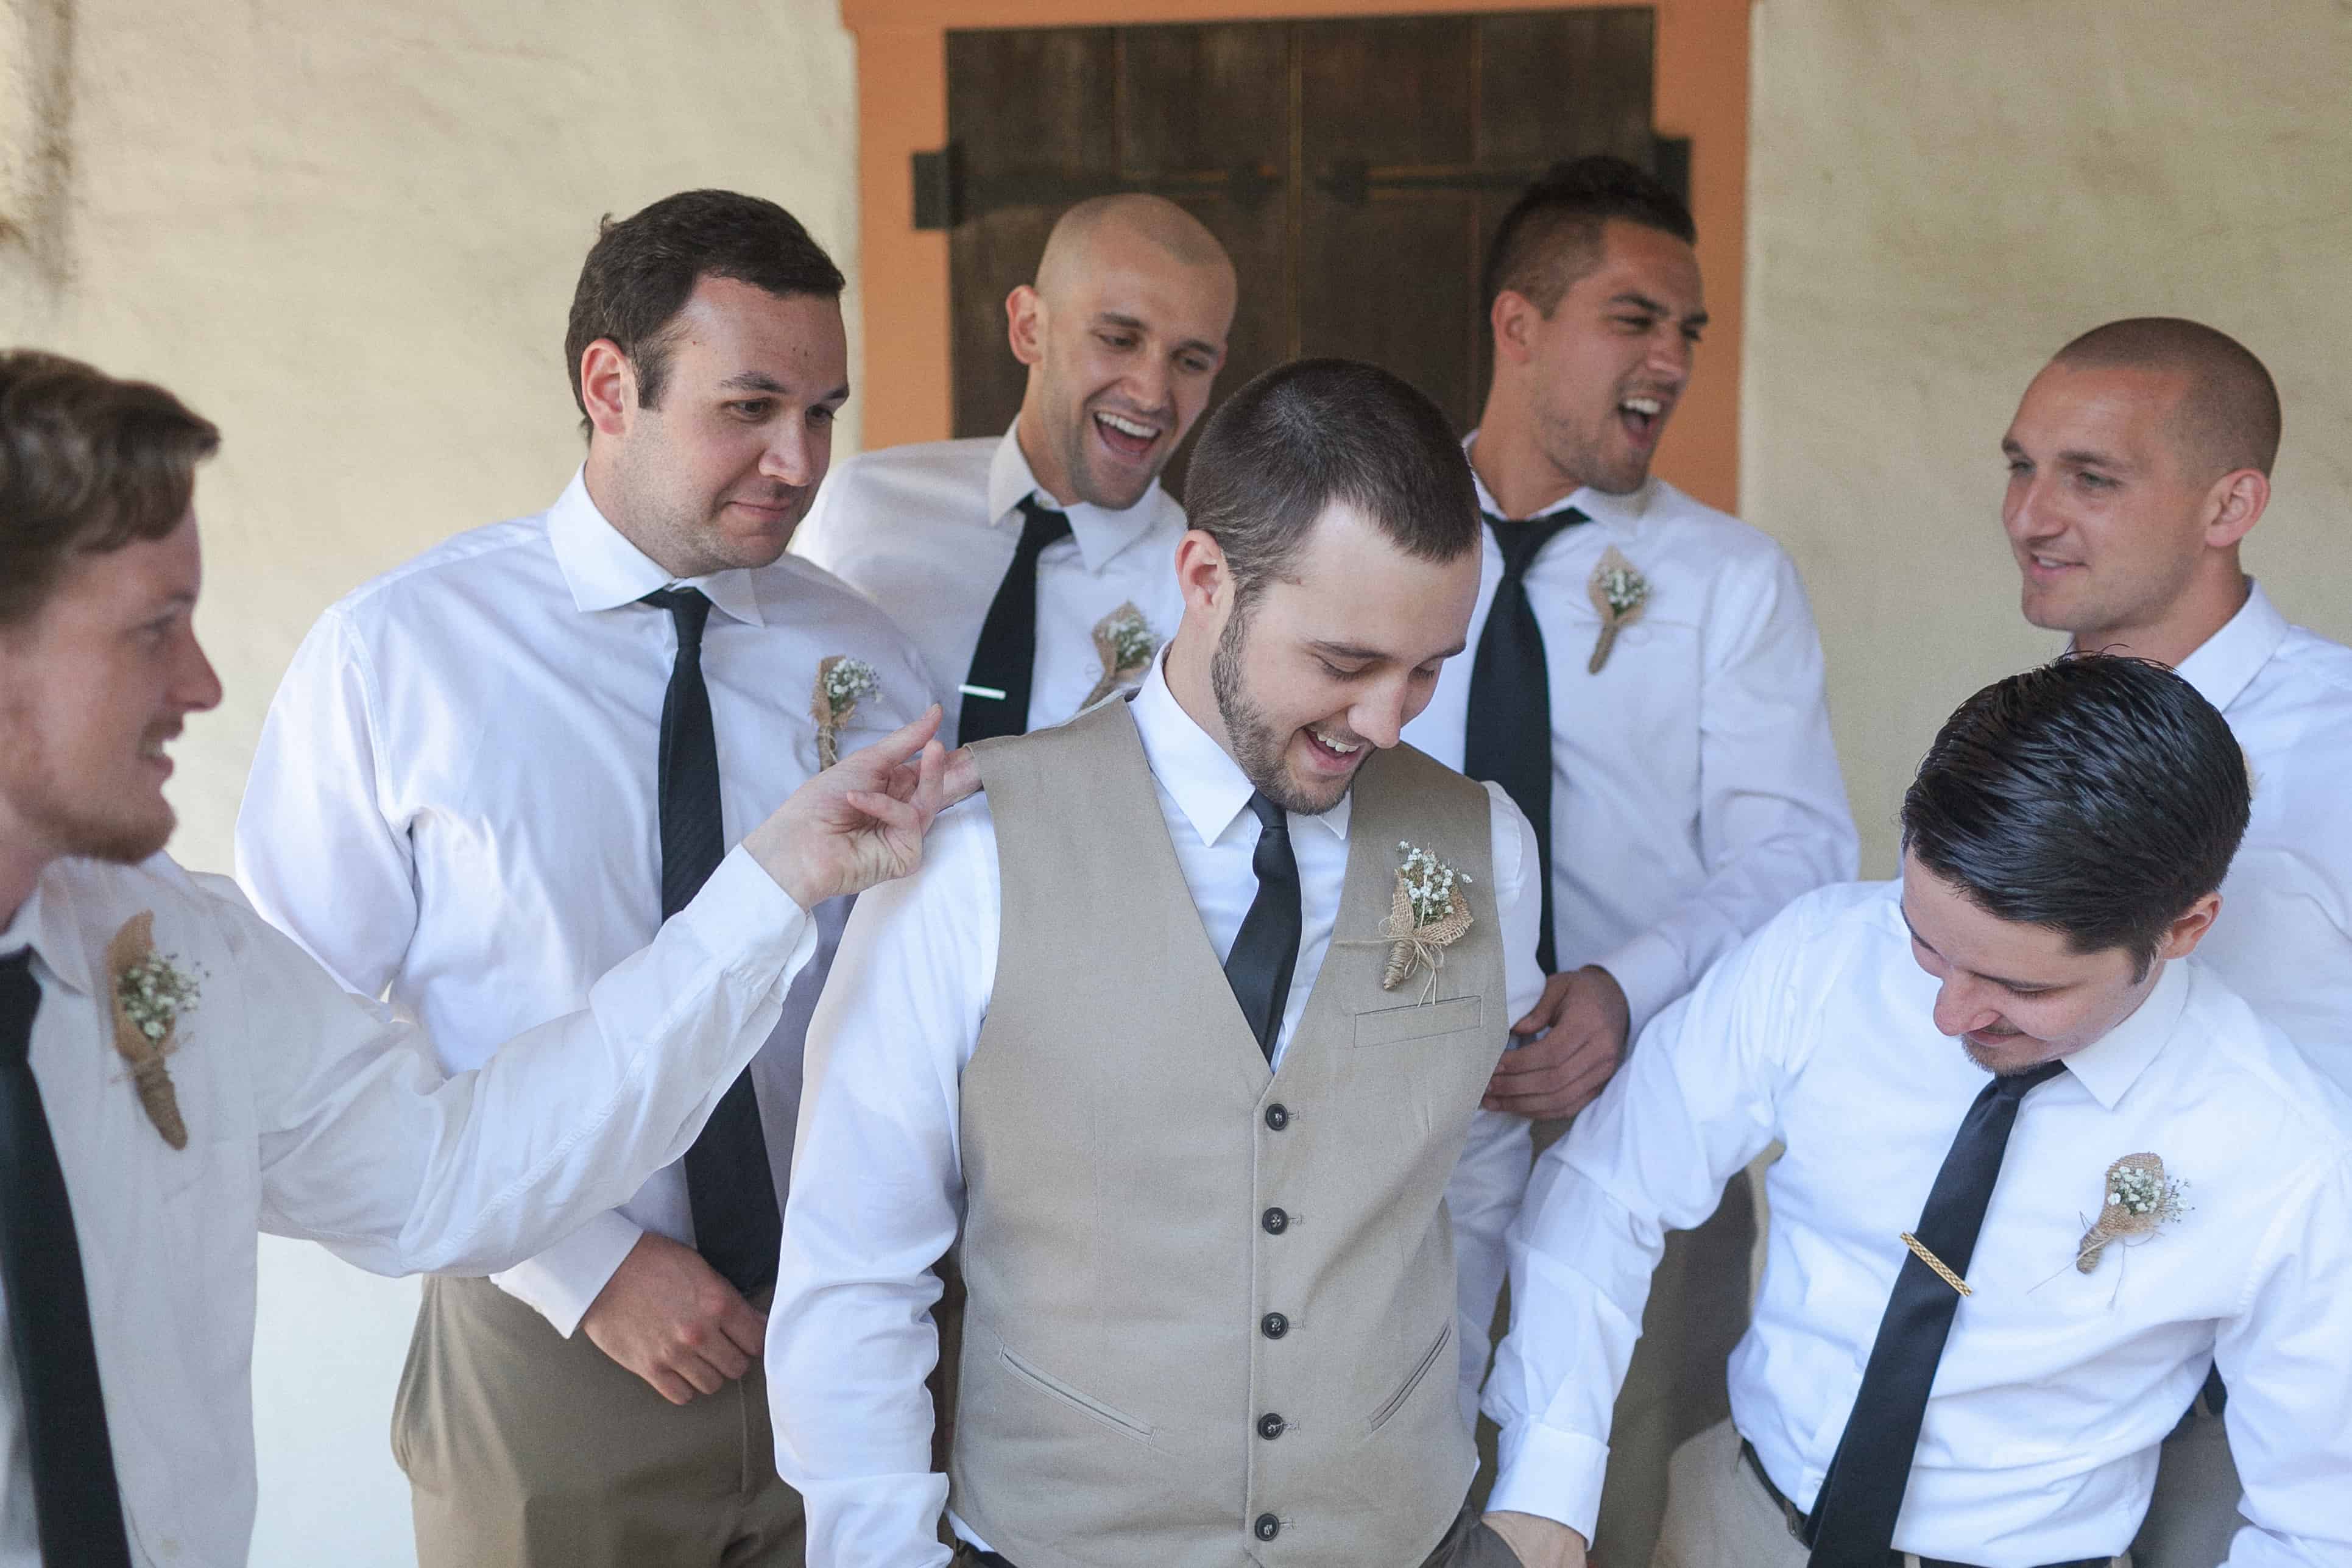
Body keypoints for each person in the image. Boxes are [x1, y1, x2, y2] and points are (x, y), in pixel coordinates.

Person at [0, 348, 959, 1567]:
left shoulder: (176, 951)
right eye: (152, 631)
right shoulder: (400, 647)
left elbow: (448, 1174)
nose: (201, 683)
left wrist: (771, 884)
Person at [235, 191, 934, 1566]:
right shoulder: (399, 655)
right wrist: (583, 1260)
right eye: (751, 406)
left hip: (836, 1336)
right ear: (609, 385)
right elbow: (292, 1042)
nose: (800, 461)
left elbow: (916, 993)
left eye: (824, 410)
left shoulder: (867, 661)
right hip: (549, 1361)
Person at [769, 358, 1545, 1568]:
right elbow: (855, 1267)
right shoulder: (970, 860)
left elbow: (1478, 1174)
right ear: (1203, 581)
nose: (1389, 722)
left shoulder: (1484, 846)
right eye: (1343, 663)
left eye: (1427, 667)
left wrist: (1463, 1459)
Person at [1480, 655, 2352, 1568]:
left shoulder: (2288, 1152)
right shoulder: (1819, 957)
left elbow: (2319, 1524)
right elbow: (1609, 1184)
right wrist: (1548, 1485)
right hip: (1737, 1527)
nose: (1948, 1015)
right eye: (1926, 944)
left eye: (2020, 985)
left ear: (2183, 927)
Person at [1398, 155, 1856, 1565]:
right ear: (1517, 323)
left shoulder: (1729, 578)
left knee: (1616, 1490)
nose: (1670, 359)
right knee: (1391, 1464)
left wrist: (1623, 985)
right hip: (1392, 1093)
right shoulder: (1376, 537)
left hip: (1650, 1096)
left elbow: (1799, 847)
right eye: (1634, 317)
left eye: (1691, 332)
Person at [1997, 316, 2352, 1568]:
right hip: (2022, 1382)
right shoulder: (2018, 739)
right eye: (2020, 466)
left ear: (2229, 503)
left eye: (2089, 478)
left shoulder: (2344, 744)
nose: (2030, 515)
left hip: (2257, 1409)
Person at [792, 192, 1237, 743]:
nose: (1151, 394)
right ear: (1029, 327)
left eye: (1190, 362)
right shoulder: (862, 502)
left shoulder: (1205, 591)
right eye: (1119, 340)